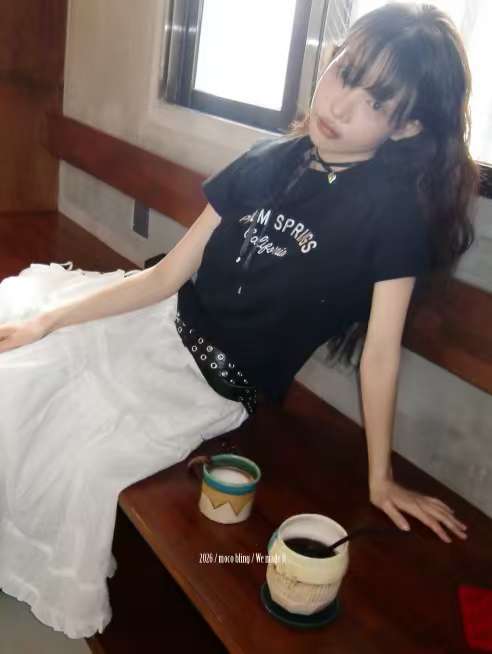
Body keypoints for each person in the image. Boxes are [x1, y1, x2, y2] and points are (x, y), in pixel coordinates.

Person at [0, 1, 479, 639]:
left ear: (407, 126)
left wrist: (380, 480)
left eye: (373, 101)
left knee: (77, 453)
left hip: (206, 385)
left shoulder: (390, 216)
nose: (339, 105)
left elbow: (381, 353)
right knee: (20, 367)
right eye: (344, 72)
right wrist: (50, 321)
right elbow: (166, 277)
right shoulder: (267, 160)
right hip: (154, 328)